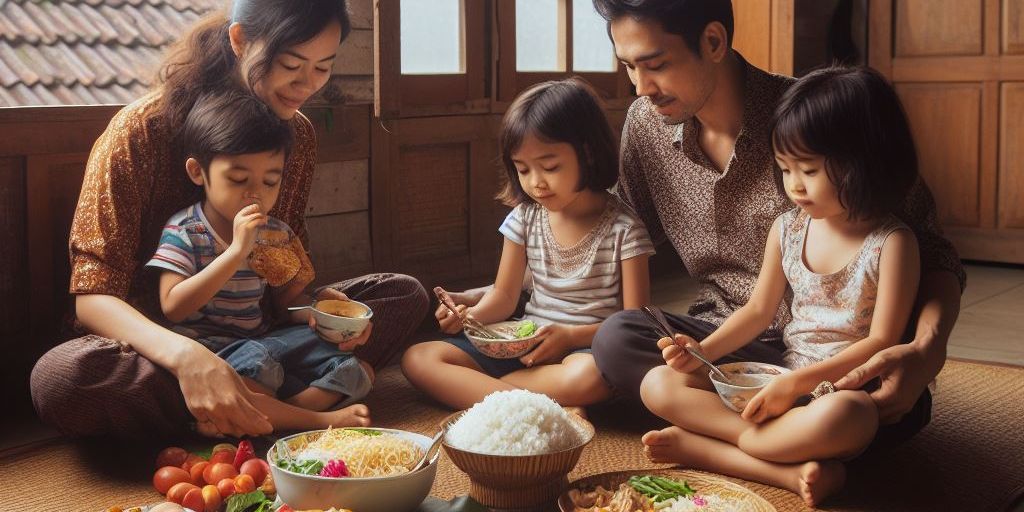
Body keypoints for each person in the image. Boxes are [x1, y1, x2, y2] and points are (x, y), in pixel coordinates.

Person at [30, 0, 429, 440]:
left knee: (401, 294)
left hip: (260, 337)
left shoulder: (295, 134)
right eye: (291, 63)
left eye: (322, 68)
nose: (305, 86)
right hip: (153, 346)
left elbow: (279, 283)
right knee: (61, 379)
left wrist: (322, 313)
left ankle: (239, 411)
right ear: (239, 41)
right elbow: (92, 299)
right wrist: (187, 358)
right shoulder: (141, 131)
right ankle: (278, 403)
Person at [587, 0, 962, 460]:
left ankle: (740, 435)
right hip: (731, 337)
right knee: (618, 338)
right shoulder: (646, 126)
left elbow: (936, 252)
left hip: (846, 361)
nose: (641, 87)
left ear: (713, 41)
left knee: (863, 411)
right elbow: (614, 234)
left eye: (656, 64)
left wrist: (927, 350)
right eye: (628, 67)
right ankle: (776, 441)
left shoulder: (819, 116)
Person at [640, 66, 921, 506]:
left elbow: (882, 341)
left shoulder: (892, 243)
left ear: (864, 162)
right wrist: (700, 354)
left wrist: (798, 386)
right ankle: (780, 458)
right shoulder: (788, 229)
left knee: (850, 416)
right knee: (657, 382)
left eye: (807, 170)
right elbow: (756, 312)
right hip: (782, 381)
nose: (793, 185)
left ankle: (710, 448)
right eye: (785, 168)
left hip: (843, 390)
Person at [401, 78, 654, 410]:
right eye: (522, 169)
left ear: (588, 153)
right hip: (522, 344)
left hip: (582, 351)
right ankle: (538, 405)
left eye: (550, 167)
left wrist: (570, 336)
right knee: (419, 357)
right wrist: (472, 317)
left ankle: (497, 399)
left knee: (591, 378)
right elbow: (505, 297)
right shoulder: (525, 219)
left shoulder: (624, 230)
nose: (537, 183)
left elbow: (633, 323)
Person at [147, 89, 373, 431]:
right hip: (212, 355)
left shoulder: (275, 233)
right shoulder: (184, 230)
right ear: (198, 172)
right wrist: (236, 252)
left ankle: (269, 415)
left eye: (270, 181)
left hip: (264, 342)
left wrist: (318, 309)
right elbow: (172, 307)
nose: (255, 193)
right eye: (238, 179)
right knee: (256, 366)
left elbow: (284, 307)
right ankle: (315, 420)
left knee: (356, 369)